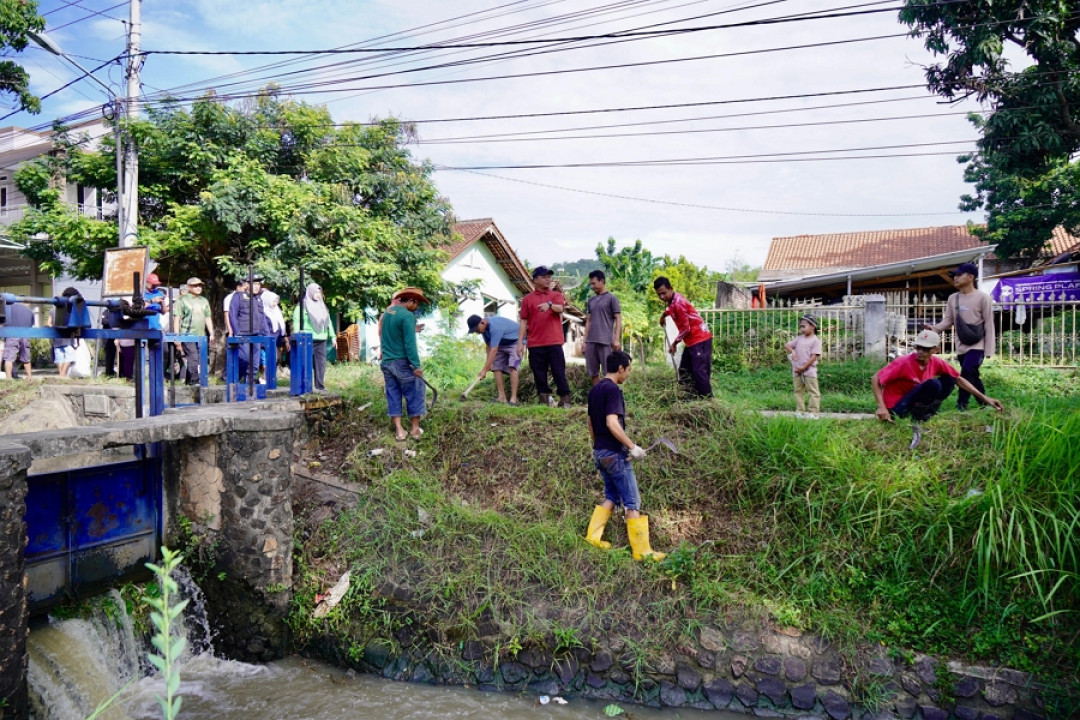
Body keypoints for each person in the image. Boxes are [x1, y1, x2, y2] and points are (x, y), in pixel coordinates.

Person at [584, 350, 666, 561]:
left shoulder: (595, 390)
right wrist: (631, 447)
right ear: (620, 368)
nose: (628, 374)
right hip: (613, 454)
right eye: (628, 370)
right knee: (632, 501)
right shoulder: (613, 390)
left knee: (612, 496)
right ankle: (642, 552)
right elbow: (612, 423)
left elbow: (590, 422)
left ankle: (592, 537)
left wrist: (598, 447)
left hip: (600, 452)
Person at [873, 329, 1003, 428]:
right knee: (933, 384)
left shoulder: (936, 362)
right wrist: (881, 407)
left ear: (936, 350)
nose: (920, 352)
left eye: (925, 349)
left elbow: (958, 379)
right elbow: (875, 379)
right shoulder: (903, 362)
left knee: (949, 379)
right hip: (896, 408)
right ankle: (918, 417)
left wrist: (985, 398)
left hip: (913, 403)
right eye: (919, 348)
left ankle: (925, 414)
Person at [926, 262, 997, 411]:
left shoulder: (983, 298)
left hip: (978, 344)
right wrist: (934, 328)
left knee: (966, 371)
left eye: (959, 275)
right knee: (972, 375)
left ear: (971, 277)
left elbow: (989, 324)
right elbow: (948, 320)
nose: (955, 278)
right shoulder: (953, 298)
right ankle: (984, 403)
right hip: (961, 344)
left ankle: (962, 404)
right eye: (954, 276)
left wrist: (989, 349)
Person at [518, 265, 571, 408]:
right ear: (535, 280)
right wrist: (519, 343)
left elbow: (560, 308)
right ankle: (544, 400)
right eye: (544, 277)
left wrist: (549, 304)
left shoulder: (556, 296)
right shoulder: (527, 300)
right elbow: (523, 321)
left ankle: (565, 400)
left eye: (549, 277)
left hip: (554, 342)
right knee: (539, 374)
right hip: (535, 343)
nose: (548, 280)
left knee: (558, 371)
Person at [654, 276, 713, 397]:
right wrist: (663, 316)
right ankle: (688, 396)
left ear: (671, 289)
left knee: (698, 371)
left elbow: (686, 329)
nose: (662, 297)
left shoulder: (678, 303)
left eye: (664, 293)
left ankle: (708, 399)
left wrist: (674, 344)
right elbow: (670, 309)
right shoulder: (673, 300)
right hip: (691, 341)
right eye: (659, 294)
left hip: (700, 339)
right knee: (684, 370)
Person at [380, 287, 427, 441]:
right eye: (417, 304)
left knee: (393, 395)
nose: (417, 307)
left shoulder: (388, 312)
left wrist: (413, 329)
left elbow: (392, 331)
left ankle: (400, 431)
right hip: (402, 362)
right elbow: (409, 344)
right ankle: (414, 429)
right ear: (411, 301)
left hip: (387, 362)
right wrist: (416, 365)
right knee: (416, 391)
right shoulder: (408, 316)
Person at [467, 314, 521, 405]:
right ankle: (501, 397)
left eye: (477, 329)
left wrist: (484, 370)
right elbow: (488, 346)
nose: (477, 332)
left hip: (516, 341)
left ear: (482, 323)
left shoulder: (495, 328)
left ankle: (513, 399)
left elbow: (494, 349)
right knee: (495, 367)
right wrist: (488, 365)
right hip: (501, 343)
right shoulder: (484, 330)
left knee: (513, 366)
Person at [229, 275, 270, 387]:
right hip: (243, 334)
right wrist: (237, 332)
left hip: (257, 335)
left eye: (258, 284)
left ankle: (249, 385)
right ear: (247, 284)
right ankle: (234, 380)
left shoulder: (258, 299)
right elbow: (232, 314)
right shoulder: (239, 296)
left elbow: (263, 318)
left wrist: (267, 335)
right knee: (245, 358)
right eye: (254, 283)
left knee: (255, 363)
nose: (257, 286)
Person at [583, 270, 623, 386]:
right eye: (591, 284)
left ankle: (609, 397)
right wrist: (584, 341)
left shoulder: (612, 298)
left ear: (602, 281)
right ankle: (598, 396)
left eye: (594, 283)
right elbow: (589, 321)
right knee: (593, 372)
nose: (592, 286)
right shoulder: (591, 300)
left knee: (609, 372)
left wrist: (616, 339)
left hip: (606, 341)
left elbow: (618, 318)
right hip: (591, 342)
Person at [173, 277, 214, 385]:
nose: (198, 288)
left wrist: (211, 333)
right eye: (195, 286)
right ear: (189, 287)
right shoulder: (182, 300)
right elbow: (177, 318)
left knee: (201, 358)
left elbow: (207, 317)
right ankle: (195, 381)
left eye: (200, 285)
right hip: (187, 334)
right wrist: (176, 336)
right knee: (193, 357)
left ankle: (189, 381)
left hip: (201, 335)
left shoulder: (204, 301)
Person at [292, 283, 333, 392]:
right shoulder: (303, 305)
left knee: (321, 364)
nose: (318, 294)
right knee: (305, 364)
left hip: (322, 338)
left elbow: (328, 321)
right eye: (315, 292)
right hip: (307, 338)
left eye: (319, 292)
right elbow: (296, 320)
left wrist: (333, 336)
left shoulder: (322, 305)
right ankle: (305, 387)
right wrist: (297, 335)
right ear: (310, 292)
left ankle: (320, 386)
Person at [785, 315, 822, 416]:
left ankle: (813, 413)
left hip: (809, 371)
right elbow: (787, 345)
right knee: (798, 391)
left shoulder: (815, 340)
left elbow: (814, 356)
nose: (801, 329)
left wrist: (804, 367)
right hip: (797, 370)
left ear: (812, 326)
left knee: (813, 392)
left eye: (804, 326)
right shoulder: (799, 338)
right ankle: (800, 411)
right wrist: (793, 351)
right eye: (800, 327)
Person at [51, 287, 82, 379]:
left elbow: (49, 323)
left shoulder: (53, 310)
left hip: (56, 338)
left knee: (59, 357)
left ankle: (61, 375)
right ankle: (63, 374)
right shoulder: (72, 310)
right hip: (68, 337)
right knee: (69, 356)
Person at [3, 300, 34, 381]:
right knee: (26, 357)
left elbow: (3, 321)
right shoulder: (30, 311)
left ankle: (8, 379)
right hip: (25, 335)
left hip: (12, 333)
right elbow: (31, 325)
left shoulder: (9, 308)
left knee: (9, 357)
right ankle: (29, 377)